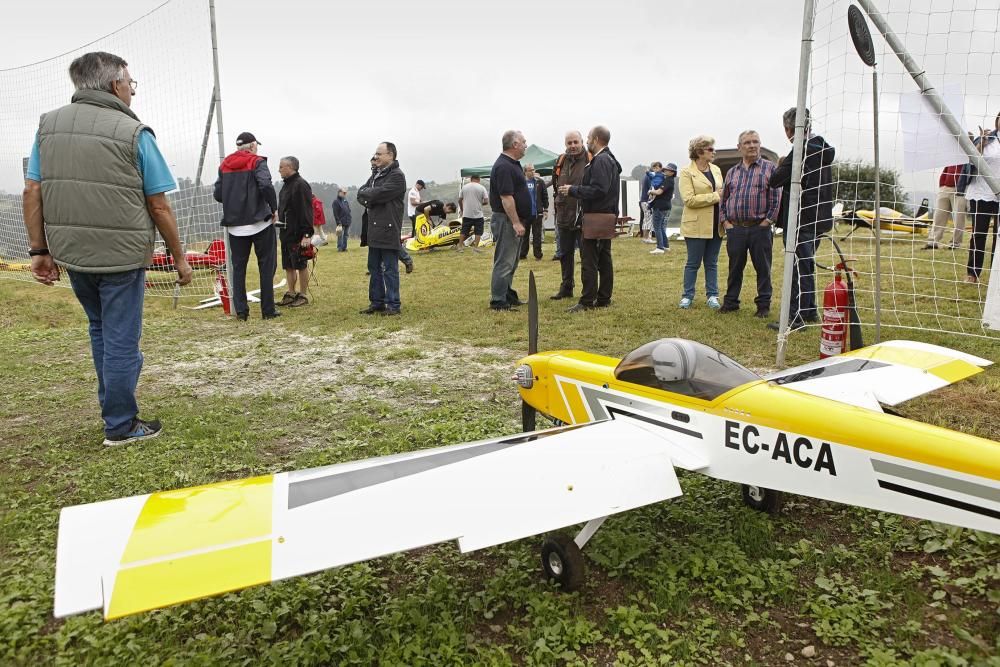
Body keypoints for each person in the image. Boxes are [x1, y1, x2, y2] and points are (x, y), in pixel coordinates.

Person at [22, 51, 192, 446]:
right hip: (121, 255)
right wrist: (179, 256)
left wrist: (38, 250)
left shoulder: (47, 126)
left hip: (72, 253)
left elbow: (34, 189)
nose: (132, 90)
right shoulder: (134, 132)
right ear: (116, 85)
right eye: (131, 83)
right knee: (121, 337)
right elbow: (159, 204)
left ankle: (113, 409)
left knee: (100, 328)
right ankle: (120, 423)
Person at [767, 108, 835, 331]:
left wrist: (781, 163)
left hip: (800, 218)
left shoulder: (800, 150)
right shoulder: (822, 147)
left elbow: (775, 180)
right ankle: (809, 309)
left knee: (797, 267)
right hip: (819, 217)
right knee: (807, 264)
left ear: (789, 129)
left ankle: (795, 316)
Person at [214, 131, 280, 321]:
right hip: (260, 222)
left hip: (235, 225)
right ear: (252, 146)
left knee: (238, 268)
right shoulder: (257, 162)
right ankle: (268, 310)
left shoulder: (224, 165)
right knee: (266, 266)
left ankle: (241, 311)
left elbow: (218, 194)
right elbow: (266, 185)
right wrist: (273, 208)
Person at [718, 130, 781, 318]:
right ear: (739, 147)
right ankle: (731, 303)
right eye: (747, 142)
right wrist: (725, 221)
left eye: (755, 142)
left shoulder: (770, 168)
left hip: (759, 228)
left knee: (763, 268)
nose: (752, 145)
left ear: (760, 145)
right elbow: (724, 198)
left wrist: (767, 220)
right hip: (735, 228)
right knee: (734, 267)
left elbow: (776, 197)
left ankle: (763, 305)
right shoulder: (732, 172)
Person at [559, 125, 621, 312]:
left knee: (590, 260)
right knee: (603, 259)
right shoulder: (609, 159)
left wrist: (573, 190)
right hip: (605, 216)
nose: (586, 142)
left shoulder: (601, 160)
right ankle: (603, 298)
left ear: (595, 139)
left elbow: (599, 189)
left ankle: (587, 301)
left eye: (587, 138)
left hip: (596, 217)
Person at [357, 141, 406, 315]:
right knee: (374, 267)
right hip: (374, 228)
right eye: (375, 154)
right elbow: (361, 192)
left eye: (379, 154)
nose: (375, 157)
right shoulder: (376, 175)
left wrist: (370, 195)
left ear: (390, 155)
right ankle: (377, 302)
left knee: (390, 269)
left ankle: (393, 304)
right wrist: (370, 195)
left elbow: (379, 193)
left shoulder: (397, 176)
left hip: (388, 228)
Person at [677, 136, 724, 309]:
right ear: (699, 151)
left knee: (711, 262)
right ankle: (687, 296)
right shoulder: (686, 172)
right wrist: (715, 196)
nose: (714, 152)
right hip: (696, 224)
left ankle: (712, 295)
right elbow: (689, 200)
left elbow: (722, 192)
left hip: (715, 224)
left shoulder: (717, 170)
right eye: (710, 149)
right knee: (693, 263)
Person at [489, 130, 531, 311]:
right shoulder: (504, 166)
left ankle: (507, 293)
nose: (526, 145)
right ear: (514, 144)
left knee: (512, 261)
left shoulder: (512, 164)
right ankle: (498, 301)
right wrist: (515, 222)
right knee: (504, 261)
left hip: (511, 219)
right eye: (523, 142)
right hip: (506, 220)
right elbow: (506, 198)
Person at [550, 131, 590, 299]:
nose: (572, 146)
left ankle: (588, 291)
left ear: (582, 142)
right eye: (569, 143)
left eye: (575, 142)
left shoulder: (590, 159)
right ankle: (566, 287)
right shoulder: (561, 161)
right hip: (564, 215)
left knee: (587, 256)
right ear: (565, 144)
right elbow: (555, 184)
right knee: (565, 254)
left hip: (583, 217)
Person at [962, 113, 1000, 283]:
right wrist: (981, 145)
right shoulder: (986, 139)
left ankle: (995, 274)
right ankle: (973, 273)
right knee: (979, 233)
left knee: (998, 236)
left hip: (999, 195)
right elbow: (971, 161)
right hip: (981, 193)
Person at [276, 156, 314, 308]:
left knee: (300, 264)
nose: (279, 170)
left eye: (281, 167)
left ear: (290, 167)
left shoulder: (301, 185)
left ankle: (303, 295)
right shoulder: (286, 185)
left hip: (298, 233)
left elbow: (306, 211)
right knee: (288, 265)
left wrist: (306, 234)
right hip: (286, 232)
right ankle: (291, 293)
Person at [924, 164, 967, 251]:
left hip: (960, 189)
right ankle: (932, 242)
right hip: (945, 188)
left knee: (959, 217)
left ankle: (955, 243)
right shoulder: (951, 156)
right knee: (938, 216)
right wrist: (942, 184)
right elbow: (946, 169)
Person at [519, 164, 549, 260]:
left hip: (537, 213)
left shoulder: (539, 182)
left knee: (537, 235)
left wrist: (546, 209)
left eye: (533, 169)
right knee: (524, 236)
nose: (532, 171)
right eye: (530, 170)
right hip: (525, 214)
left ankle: (538, 255)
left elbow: (545, 196)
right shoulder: (521, 182)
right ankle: (523, 254)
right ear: (525, 172)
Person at [649, 162, 677, 254]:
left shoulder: (668, 180)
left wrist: (650, 191)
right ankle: (665, 246)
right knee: (661, 227)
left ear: (672, 172)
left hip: (660, 206)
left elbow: (659, 192)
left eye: (668, 170)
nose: (665, 170)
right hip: (666, 206)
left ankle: (659, 247)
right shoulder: (670, 179)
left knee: (657, 227)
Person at [457, 174, 488, 252]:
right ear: (478, 179)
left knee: (464, 230)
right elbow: (486, 201)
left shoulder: (464, 187)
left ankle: (460, 247)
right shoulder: (482, 187)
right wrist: (480, 204)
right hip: (478, 214)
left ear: (471, 179)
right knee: (478, 231)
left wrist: (462, 209)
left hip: (467, 213)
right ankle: (475, 248)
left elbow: (460, 200)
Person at [333, 188, 352, 252]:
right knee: (340, 235)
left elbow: (349, 210)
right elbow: (335, 213)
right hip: (341, 222)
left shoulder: (345, 201)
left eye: (345, 193)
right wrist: (338, 222)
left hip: (347, 221)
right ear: (339, 193)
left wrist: (349, 218)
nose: (345, 194)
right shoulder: (336, 201)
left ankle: (344, 247)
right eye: (343, 193)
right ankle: (340, 248)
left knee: (346, 235)